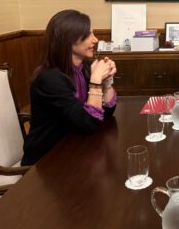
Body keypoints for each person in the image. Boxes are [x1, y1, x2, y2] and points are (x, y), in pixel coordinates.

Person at [22, 10, 117, 165]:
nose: (95, 40)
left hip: (76, 149)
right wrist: (95, 80)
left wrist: (105, 81)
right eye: (88, 35)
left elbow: (106, 113)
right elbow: (89, 123)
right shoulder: (49, 79)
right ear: (68, 40)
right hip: (46, 163)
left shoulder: (85, 67)